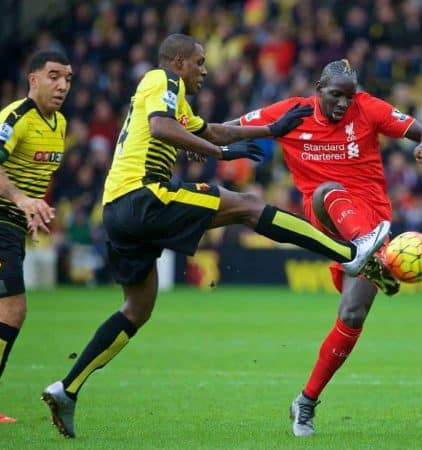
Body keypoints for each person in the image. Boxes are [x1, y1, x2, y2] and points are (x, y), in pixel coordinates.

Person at [41, 34, 390, 438]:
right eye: (199, 62)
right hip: (144, 196)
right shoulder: (162, 80)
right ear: (177, 61)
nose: (205, 69)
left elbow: (214, 132)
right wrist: (221, 156)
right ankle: (350, 251)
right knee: (248, 206)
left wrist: (269, 129)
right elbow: (161, 129)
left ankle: (67, 389)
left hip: (117, 211)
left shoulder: (175, 101)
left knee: (137, 308)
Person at [232, 59, 422, 436]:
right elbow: (234, 127)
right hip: (329, 221)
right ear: (318, 89)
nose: (345, 103)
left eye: (350, 96)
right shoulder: (292, 112)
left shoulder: (370, 108)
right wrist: (200, 145)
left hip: (374, 224)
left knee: (353, 314)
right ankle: (365, 249)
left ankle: (306, 402)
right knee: (328, 191)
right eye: (336, 95)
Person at [0, 50, 73, 423]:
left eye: (68, 78)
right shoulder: (15, 116)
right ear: (32, 79)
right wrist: (20, 199)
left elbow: (35, 176)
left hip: (11, 227)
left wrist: (31, 214)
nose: (62, 85)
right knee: (13, 310)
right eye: (54, 76)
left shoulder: (60, 124)